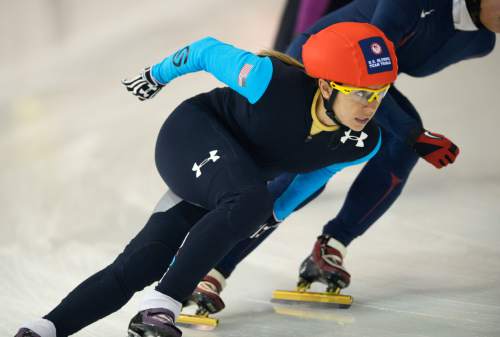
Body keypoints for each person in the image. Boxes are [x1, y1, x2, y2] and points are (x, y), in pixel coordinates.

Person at [14, 22, 398, 337]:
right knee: (250, 201)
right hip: (191, 136)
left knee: (144, 262)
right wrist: (155, 76)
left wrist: (277, 213)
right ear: (327, 86)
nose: (370, 106)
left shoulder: (362, 142)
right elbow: (205, 49)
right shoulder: (270, 81)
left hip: (229, 181)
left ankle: (44, 328)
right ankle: (162, 306)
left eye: (379, 95)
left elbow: (320, 173)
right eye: (361, 94)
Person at [188, 0, 499, 315]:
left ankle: (332, 246)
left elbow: (380, 76)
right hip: (315, 72)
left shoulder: (481, 41)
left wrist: (411, 134)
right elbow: (367, 61)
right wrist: (411, 132)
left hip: (363, 89)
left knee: (402, 147)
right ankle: (211, 266)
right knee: (297, 179)